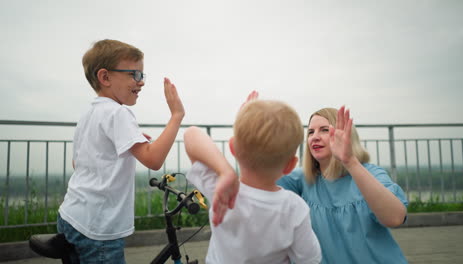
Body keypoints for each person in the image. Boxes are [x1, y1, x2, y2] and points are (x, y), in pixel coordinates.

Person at [57, 39, 185, 263]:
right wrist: (176, 116)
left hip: (71, 216)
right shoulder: (118, 113)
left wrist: (126, 142)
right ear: (105, 77)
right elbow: (154, 160)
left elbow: (78, 163)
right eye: (134, 74)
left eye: (142, 75)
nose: (141, 82)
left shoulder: (89, 113)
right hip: (99, 228)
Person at [183, 93, 322, 264]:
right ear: (290, 165)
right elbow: (309, 259)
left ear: (232, 148)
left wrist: (226, 172)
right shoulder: (294, 208)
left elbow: (191, 134)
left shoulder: (222, 192)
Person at [277, 106, 408, 263]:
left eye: (324, 130)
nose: (315, 137)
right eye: (311, 132)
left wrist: (349, 161)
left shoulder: (370, 173)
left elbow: (395, 218)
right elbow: (254, 185)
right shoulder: (303, 178)